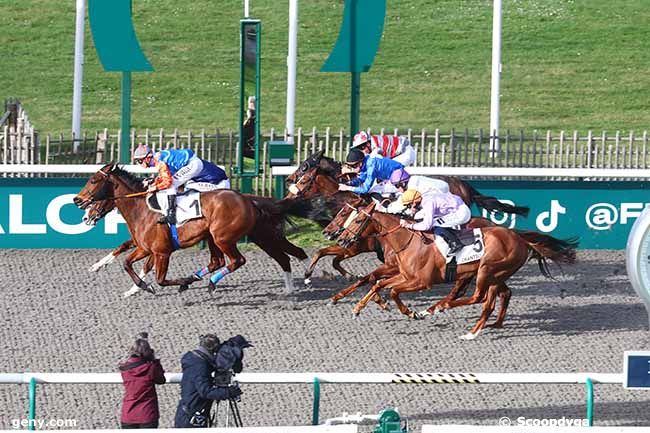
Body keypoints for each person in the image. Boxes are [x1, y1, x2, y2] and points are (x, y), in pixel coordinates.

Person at [133, 145, 229, 225]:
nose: (139, 164)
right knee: (181, 184)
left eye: (140, 161)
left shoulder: (159, 162)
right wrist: (154, 182)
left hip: (193, 165)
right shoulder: (158, 158)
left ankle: (171, 215)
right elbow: (166, 176)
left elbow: (167, 182)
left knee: (171, 185)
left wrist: (156, 186)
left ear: (148, 158)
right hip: (192, 163)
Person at [174, 334, 243, 428]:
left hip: (189, 412)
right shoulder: (200, 366)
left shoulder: (195, 361)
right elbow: (205, 391)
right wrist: (228, 392)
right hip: (192, 417)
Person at [399, 189, 471, 255]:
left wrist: (409, 225)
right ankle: (454, 235)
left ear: (414, 203)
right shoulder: (424, 199)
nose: (409, 208)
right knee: (433, 221)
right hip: (456, 208)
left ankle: (456, 243)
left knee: (434, 224)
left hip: (461, 212)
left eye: (409, 206)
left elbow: (427, 225)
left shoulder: (428, 203)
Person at [118, 333, 166, 429]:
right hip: (147, 414)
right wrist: (155, 360)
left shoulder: (125, 369)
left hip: (128, 414)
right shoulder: (151, 368)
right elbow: (161, 380)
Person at [338, 148, 404, 196]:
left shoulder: (371, 167)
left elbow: (365, 189)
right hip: (393, 176)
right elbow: (362, 179)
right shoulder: (366, 162)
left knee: (372, 191)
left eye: (353, 166)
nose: (352, 169)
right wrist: (350, 183)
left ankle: (385, 209)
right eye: (349, 166)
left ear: (360, 163)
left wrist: (348, 188)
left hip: (400, 179)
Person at [351, 131, 416, 166]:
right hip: (402, 152)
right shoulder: (372, 141)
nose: (362, 151)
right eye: (358, 148)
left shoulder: (376, 149)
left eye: (361, 147)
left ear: (368, 144)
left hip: (406, 153)